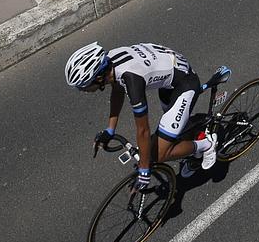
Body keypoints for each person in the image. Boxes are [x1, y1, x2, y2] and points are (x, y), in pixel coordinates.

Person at [66, 41, 225, 183]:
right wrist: (110, 129)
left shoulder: (132, 80)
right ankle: (193, 141)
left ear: (98, 77)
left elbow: (143, 130)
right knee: (170, 133)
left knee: (158, 154)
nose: (83, 90)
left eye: (84, 86)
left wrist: (144, 169)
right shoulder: (110, 61)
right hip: (169, 72)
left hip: (184, 83)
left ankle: (206, 145)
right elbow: (117, 89)